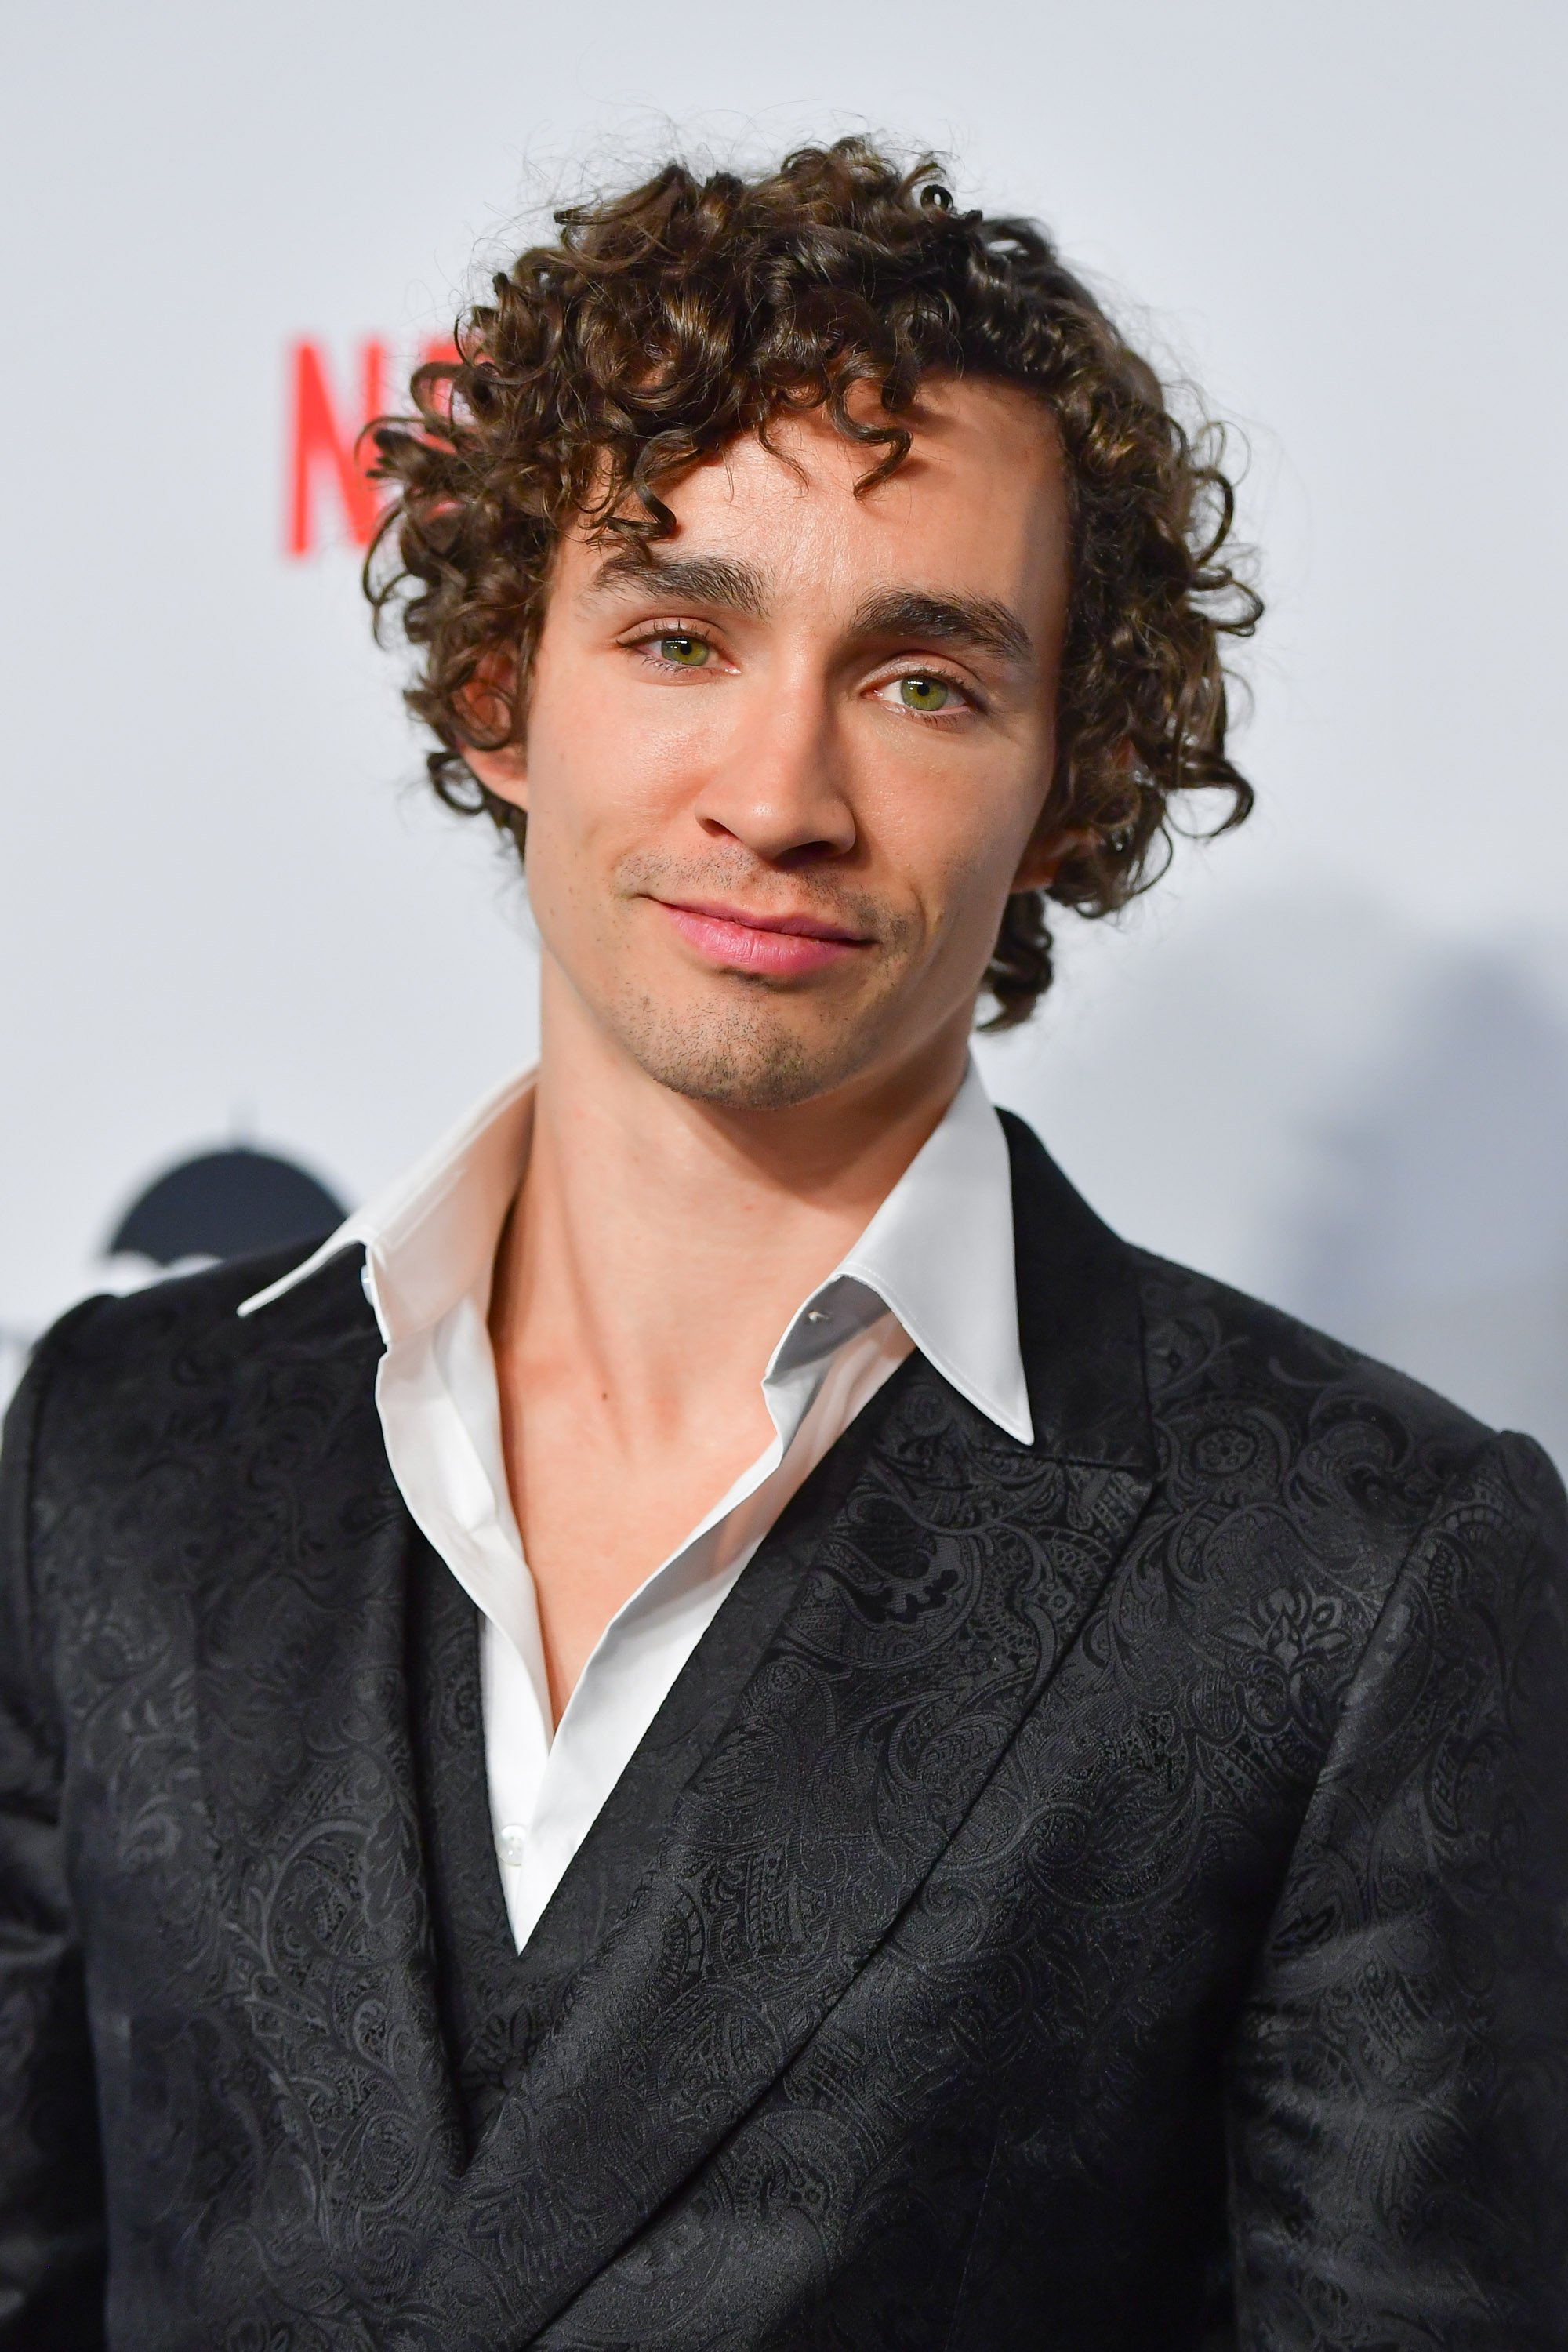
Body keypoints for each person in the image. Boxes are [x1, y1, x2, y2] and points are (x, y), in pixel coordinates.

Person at [1, 139, 1563, 2352]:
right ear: (494, 693)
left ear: (1069, 776)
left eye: (924, 680)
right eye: (675, 635)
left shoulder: (1359, 1574)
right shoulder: (120, 1459)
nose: (778, 790)